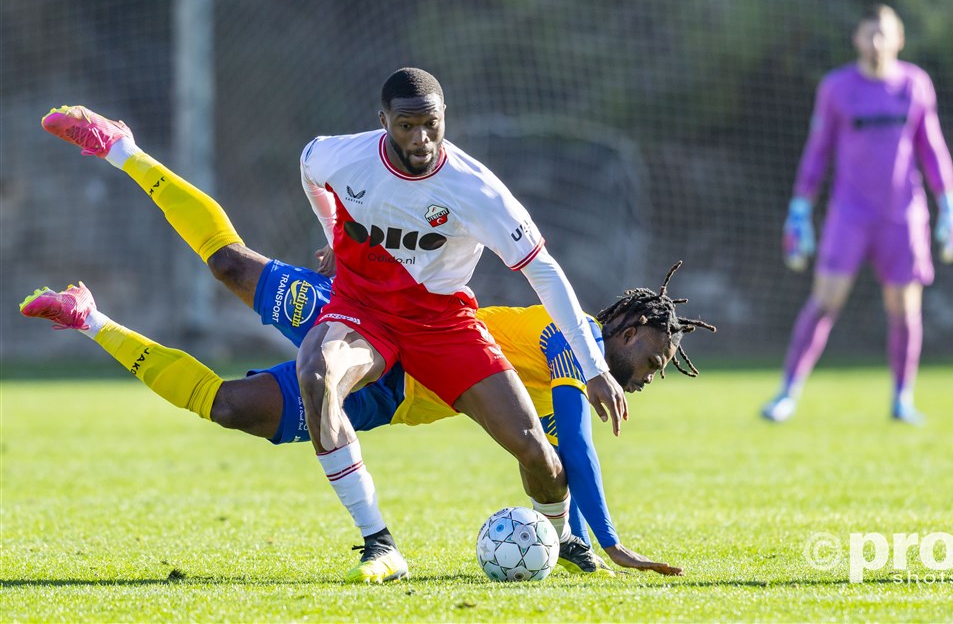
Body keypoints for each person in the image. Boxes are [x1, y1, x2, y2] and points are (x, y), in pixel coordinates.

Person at [40, 73, 627, 584]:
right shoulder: (340, 155)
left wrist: (596, 369)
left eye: (431, 126)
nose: (420, 139)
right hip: (357, 310)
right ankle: (381, 543)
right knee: (251, 297)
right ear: (384, 123)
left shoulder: (478, 192)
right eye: (406, 126)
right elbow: (309, 170)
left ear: (446, 120)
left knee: (538, 456)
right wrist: (333, 235)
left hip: (436, 338)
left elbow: (545, 276)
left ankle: (558, 538)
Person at [21, 261, 714, 577]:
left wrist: (580, 532)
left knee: (228, 406)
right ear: (626, 330)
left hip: (391, 396)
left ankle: (91, 319)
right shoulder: (576, 340)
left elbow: (561, 454)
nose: (650, 374)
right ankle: (126, 154)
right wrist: (612, 540)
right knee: (232, 266)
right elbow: (576, 444)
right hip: (384, 340)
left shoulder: (567, 352)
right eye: (655, 357)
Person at [762, 4, 953, 425]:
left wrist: (950, 204)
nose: (876, 43)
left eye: (884, 34)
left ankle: (902, 398)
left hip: (904, 216)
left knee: (905, 310)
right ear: (856, 38)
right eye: (868, 34)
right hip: (849, 215)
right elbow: (818, 151)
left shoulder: (915, 84)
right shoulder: (837, 88)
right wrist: (800, 209)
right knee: (823, 303)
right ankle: (787, 394)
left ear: (899, 39)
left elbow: (932, 148)